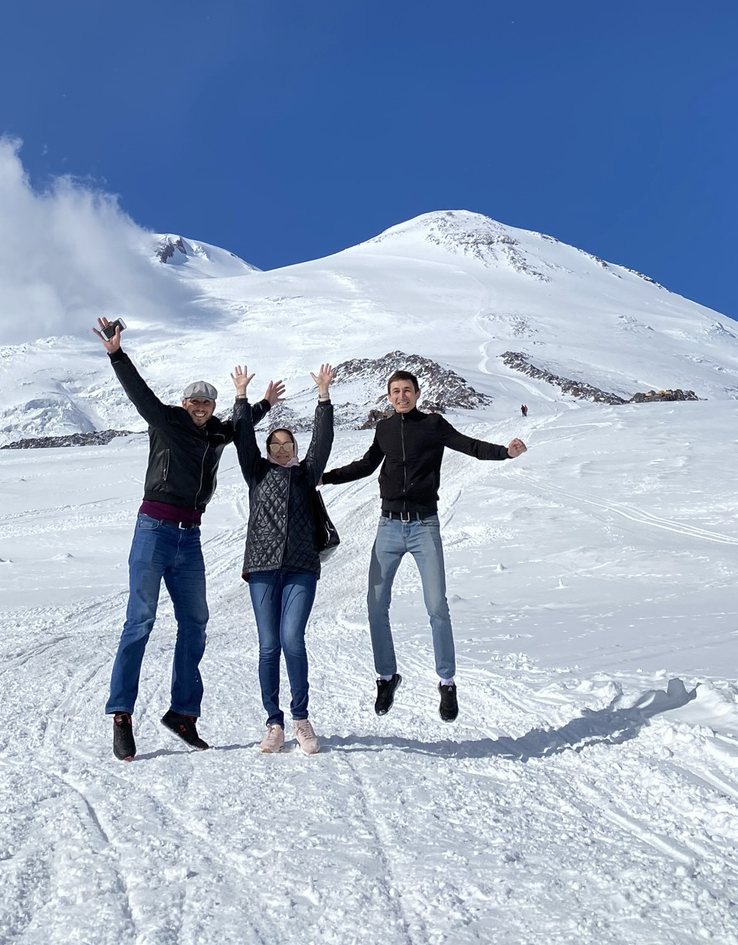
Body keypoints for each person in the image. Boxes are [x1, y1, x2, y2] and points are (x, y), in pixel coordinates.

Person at [94, 318, 283, 762]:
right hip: (153, 532)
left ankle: (182, 713)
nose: (200, 407)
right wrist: (116, 354)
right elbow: (137, 391)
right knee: (139, 622)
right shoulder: (164, 421)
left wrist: (262, 404)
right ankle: (122, 714)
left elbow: (241, 426)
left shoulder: (218, 431)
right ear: (184, 403)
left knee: (195, 623)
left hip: (190, 539)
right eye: (195, 401)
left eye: (207, 402)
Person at [321, 368, 527, 722]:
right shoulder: (384, 428)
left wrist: (504, 453)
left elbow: (470, 446)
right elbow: (367, 466)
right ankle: (386, 677)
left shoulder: (433, 425)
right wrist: (323, 477)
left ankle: (447, 683)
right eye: (395, 391)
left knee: (437, 607)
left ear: (417, 393)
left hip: (424, 527)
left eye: (407, 390)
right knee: (375, 606)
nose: (401, 396)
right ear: (389, 396)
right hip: (388, 527)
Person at [231, 363, 335, 755]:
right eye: (273, 444)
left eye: (286, 444)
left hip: (300, 568)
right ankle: (273, 721)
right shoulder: (256, 472)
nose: (279, 449)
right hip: (261, 568)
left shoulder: (306, 473)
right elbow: (242, 438)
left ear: (293, 447)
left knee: (293, 640)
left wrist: (323, 398)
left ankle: (301, 719)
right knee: (268, 645)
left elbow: (322, 443)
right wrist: (243, 399)